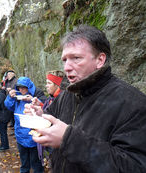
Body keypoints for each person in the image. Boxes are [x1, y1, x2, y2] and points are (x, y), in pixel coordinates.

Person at [24, 25, 146, 172]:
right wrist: (40, 116)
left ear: (100, 60)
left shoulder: (132, 103)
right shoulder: (66, 95)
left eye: (76, 58)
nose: (67, 67)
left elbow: (134, 166)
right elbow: (52, 121)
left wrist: (68, 140)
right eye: (64, 60)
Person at [4, 77, 47, 173]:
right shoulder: (17, 97)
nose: (21, 90)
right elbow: (8, 105)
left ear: (29, 87)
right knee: (24, 163)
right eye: (19, 87)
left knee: (36, 163)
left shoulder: (37, 95)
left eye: (24, 87)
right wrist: (10, 96)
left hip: (33, 136)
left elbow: (46, 108)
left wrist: (33, 100)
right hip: (20, 135)